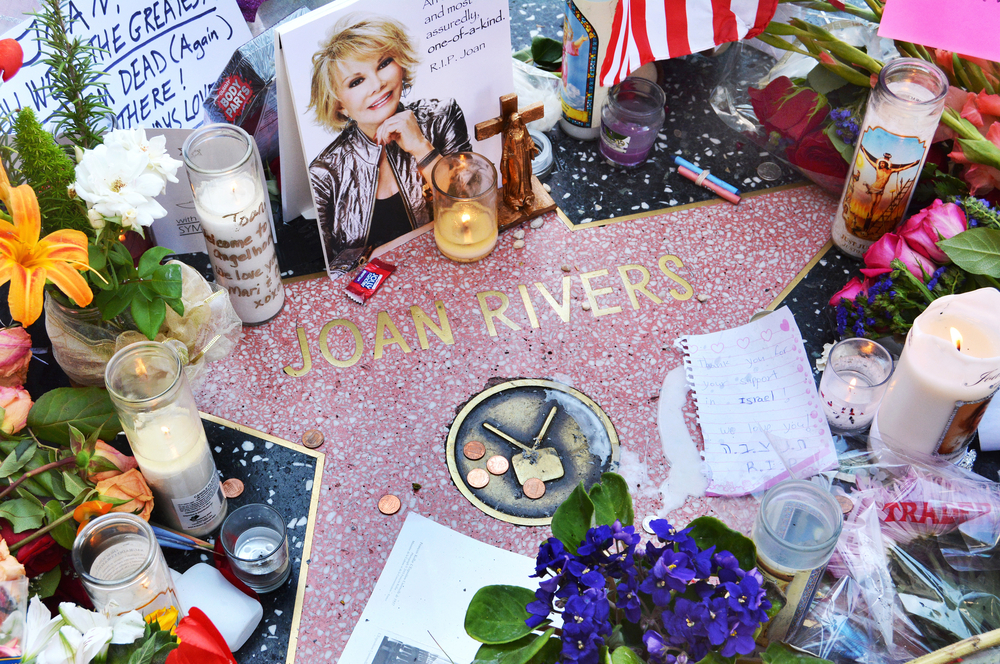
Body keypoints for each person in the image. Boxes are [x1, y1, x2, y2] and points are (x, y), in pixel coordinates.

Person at [308, 15, 473, 275]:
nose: (378, 84)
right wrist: (382, 256)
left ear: (401, 64)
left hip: (451, 266)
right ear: (339, 105)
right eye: (356, 81)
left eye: (384, 64)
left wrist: (421, 147)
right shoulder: (324, 173)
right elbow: (326, 270)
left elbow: (472, 207)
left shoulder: (442, 117)